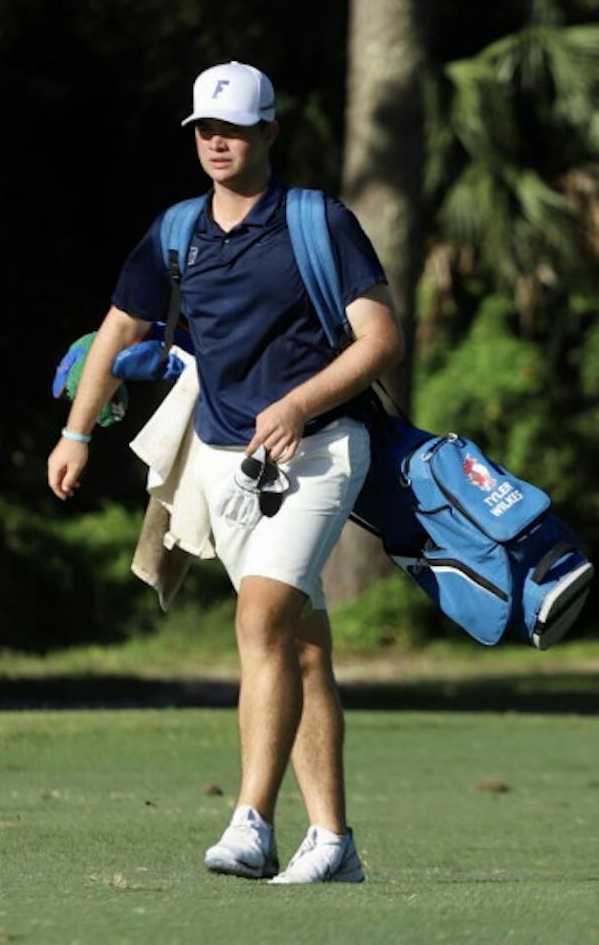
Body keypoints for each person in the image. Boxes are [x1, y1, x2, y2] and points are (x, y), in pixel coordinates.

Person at [45, 60, 403, 884]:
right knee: (301, 648)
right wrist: (76, 433)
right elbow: (116, 329)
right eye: (206, 130)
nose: (217, 143)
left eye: (235, 130)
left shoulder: (319, 221)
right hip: (225, 459)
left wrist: (300, 404)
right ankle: (334, 841)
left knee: (258, 621)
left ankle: (251, 822)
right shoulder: (175, 231)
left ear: (269, 133)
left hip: (320, 450)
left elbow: (380, 339)